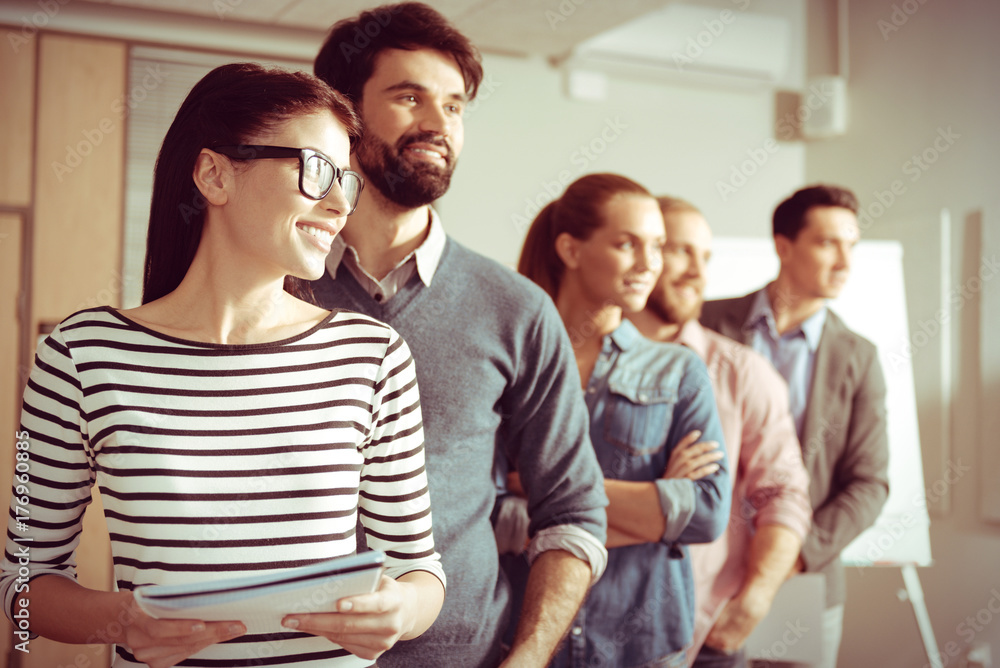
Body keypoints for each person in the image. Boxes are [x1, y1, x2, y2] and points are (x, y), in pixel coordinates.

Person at [0, 63, 446, 668]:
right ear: (214, 174)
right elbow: (22, 582)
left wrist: (403, 612)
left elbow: (419, 569)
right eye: (318, 172)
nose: (341, 204)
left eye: (347, 179)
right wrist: (119, 620)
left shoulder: (373, 355)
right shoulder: (80, 355)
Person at [311, 4, 609, 667]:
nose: (437, 124)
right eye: (408, 96)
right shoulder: (271, 290)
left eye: (453, 106)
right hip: (283, 655)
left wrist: (527, 659)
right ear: (343, 114)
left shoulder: (518, 310)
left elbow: (574, 512)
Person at [514, 173, 731, 667]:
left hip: (642, 647)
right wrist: (654, 511)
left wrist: (545, 496)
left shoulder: (678, 370)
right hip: (530, 642)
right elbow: (487, 512)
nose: (649, 263)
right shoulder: (515, 365)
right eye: (627, 244)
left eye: (657, 246)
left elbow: (706, 513)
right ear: (570, 249)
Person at [700, 185, 890, 668]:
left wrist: (788, 557)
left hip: (801, 579)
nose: (845, 261)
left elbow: (869, 483)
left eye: (852, 245)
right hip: (696, 569)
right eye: (828, 243)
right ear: (784, 246)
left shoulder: (858, 356)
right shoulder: (704, 322)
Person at [627, 197, 812, 668]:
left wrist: (756, 598)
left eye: (705, 256)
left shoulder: (743, 373)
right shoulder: (578, 365)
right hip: (592, 625)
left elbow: (784, 492)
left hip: (705, 631)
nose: (696, 271)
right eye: (679, 251)